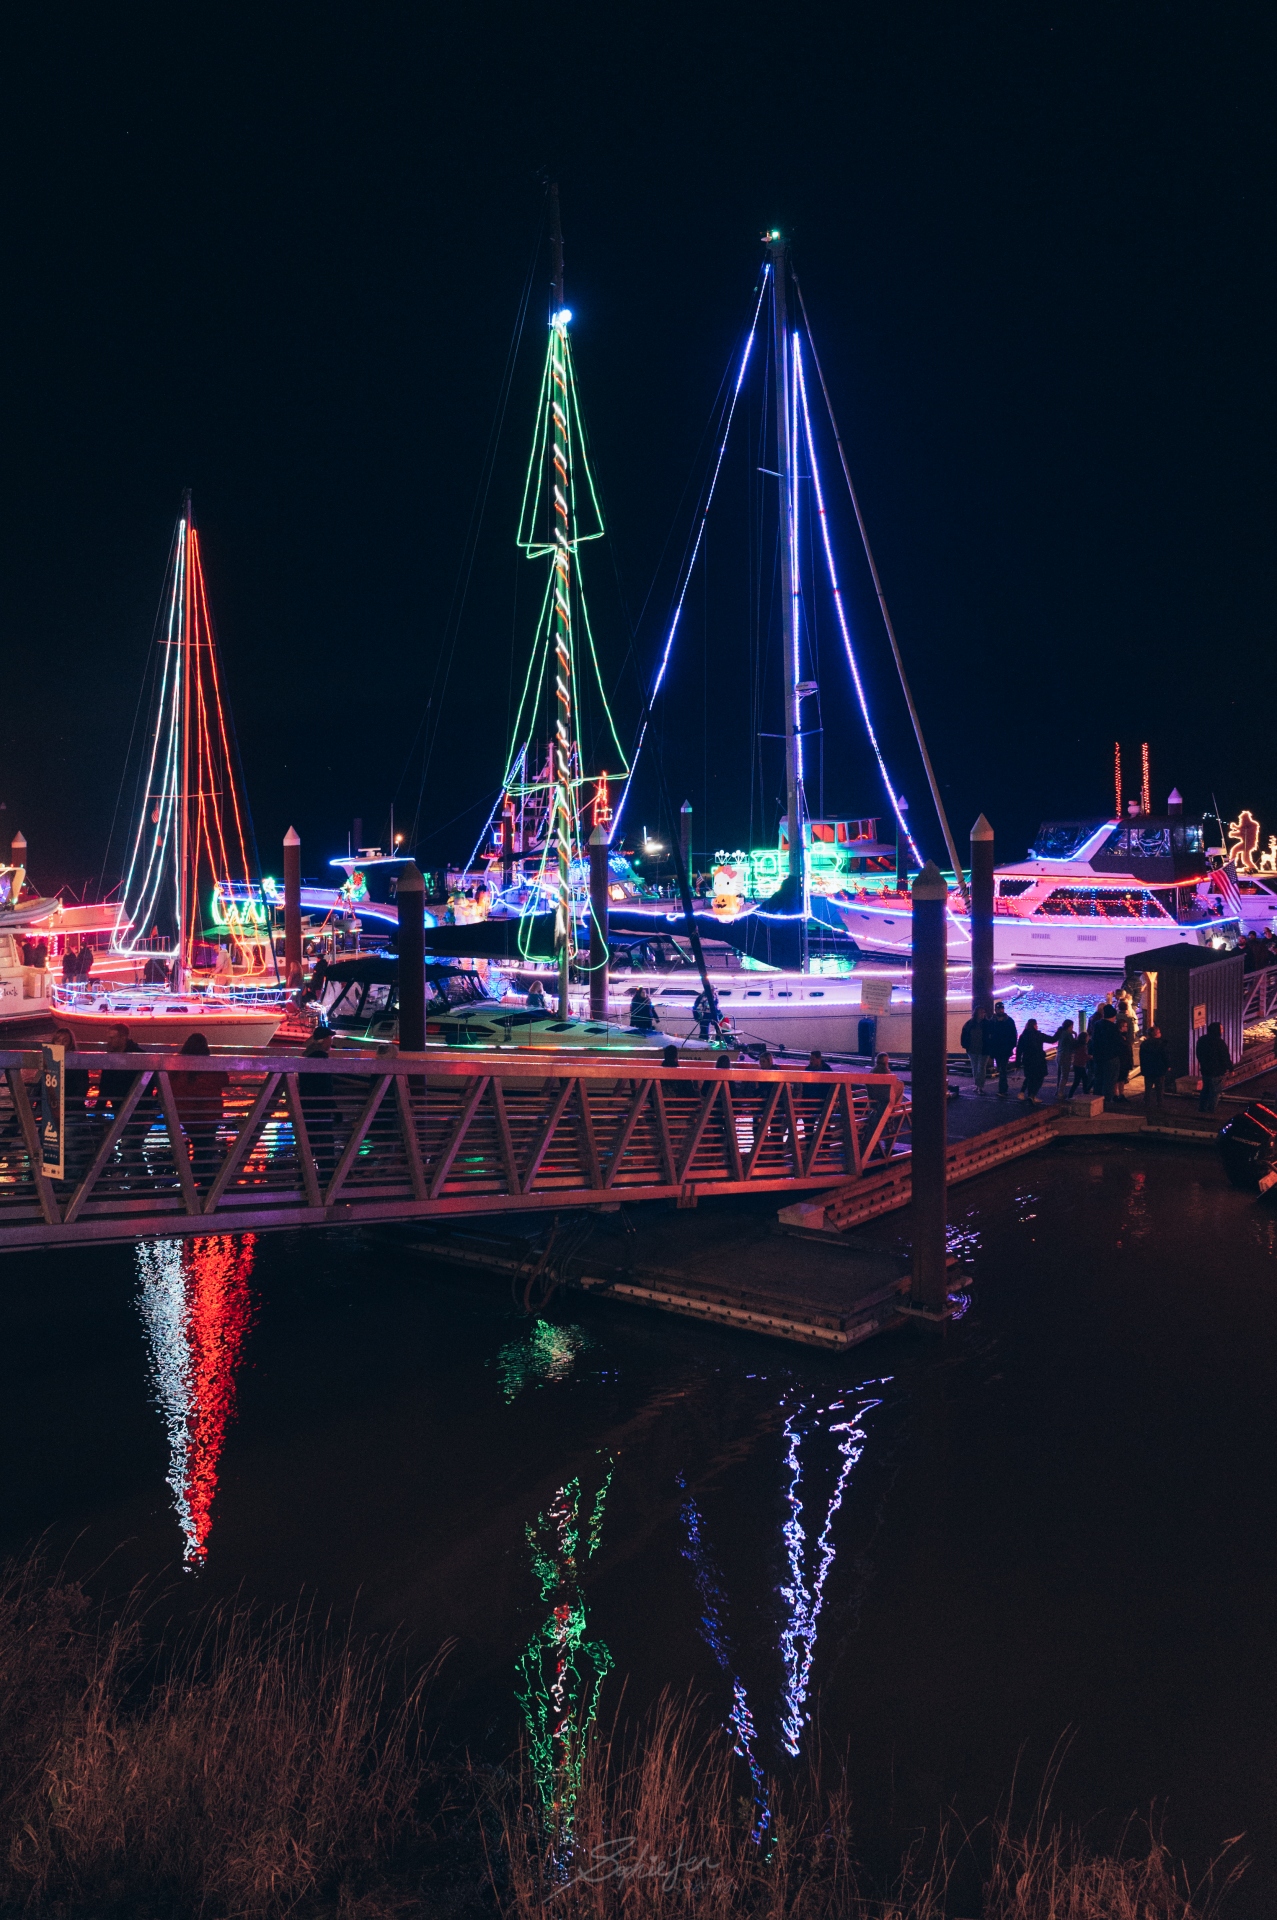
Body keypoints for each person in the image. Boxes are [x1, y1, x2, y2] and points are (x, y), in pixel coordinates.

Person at [168, 1032, 228, 1190]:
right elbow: (224, 1079)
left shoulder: (177, 1067)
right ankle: (194, 1183)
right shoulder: (210, 1066)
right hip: (208, 1117)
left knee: (202, 1149)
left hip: (185, 1117)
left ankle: (203, 1182)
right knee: (204, 1150)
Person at [97, 1022, 156, 1172]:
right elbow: (105, 1084)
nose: (108, 1042)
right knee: (128, 1145)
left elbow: (149, 1082)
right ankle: (135, 1179)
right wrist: (100, 1107)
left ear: (123, 1037)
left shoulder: (139, 1056)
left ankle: (141, 1180)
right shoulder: (118, 1055)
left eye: (112, 1038)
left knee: (129, 1146)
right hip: (121, 1107)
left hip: (136, 1109)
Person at [299, 1026, 338, 1177]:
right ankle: (326, 1177)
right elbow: (325, 1086)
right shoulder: (322, 1059)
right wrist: (334, 1107)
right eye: (330, 1038)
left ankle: (303, 1177)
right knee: (325, 1143)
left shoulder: (307, 1056)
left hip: (307, 1106)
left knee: (309, 1143)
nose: (331, 1042)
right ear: (325, 1040)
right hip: (320, 1108)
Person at [1089, 1006, 1123, 1107]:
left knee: (1099, 1079)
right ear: (1113, 1016)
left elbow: (1094, 1041)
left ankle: (1096, 1100)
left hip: (1098, 1057)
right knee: (1110, 1080)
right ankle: (1107, 1101)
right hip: (1111, 1057)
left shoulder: (1097, 1024)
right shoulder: (1113, 1027)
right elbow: (1118, 1043)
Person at [1195, 1021, 1232, 1113]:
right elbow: (1225, 1056)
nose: (1222, 1030)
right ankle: (1211, 1110)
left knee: (1205, 1089)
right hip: (1217, 1071)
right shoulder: (1220, 1042)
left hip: (1205, 1070)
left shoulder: (1202, 1040)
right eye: (1221, 1029)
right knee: (1215, 1092)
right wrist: (1230, 1068)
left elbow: (1198, 1053)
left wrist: (1203, 1063)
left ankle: (1202, 1108)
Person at [983, 1001, 1018, 1098]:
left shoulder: (992, 1021)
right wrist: (1012, 1046)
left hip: (1001, 1049)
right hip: (1002, 1049)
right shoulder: (1009, 1020)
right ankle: (1003, 1088)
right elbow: (1013, 1035)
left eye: (1001, 1008)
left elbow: (988, 1035)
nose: (1000, 1010)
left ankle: (1003, 1089)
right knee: (1002, 1069)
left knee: (1001, 1069)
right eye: (999, 1008)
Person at [1014, 1018, 1049, 1105]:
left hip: (1027, 1060)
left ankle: (1026, 1094)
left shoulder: (1023, 1035)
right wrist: (1060, 1031)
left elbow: (1019, 1050)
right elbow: (1052, 1039)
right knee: (1039, 1077)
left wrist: (1017, 1062)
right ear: (1034, 1025)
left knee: (1030, 1077)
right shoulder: (1039, 1035)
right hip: (1038, 1059)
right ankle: (1032, 1095)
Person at [1140, 1024, 1169, 1113]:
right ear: (1156, 1034)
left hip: (1148, 1069)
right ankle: (1160, 1103)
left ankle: (1147, 1102)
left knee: (1148, 1087)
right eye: (1159, 1032)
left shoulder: (1144, 1044)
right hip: (1159, 1069)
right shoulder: (1161, 1044)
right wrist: (1167, 1065)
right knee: (1159, 1088)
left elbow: (1142, 1057)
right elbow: (1165, 1056)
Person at [961, 1008, 988, 1093]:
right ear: (976, 1013)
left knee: (980, 1068)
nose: (982, 1014)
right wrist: (965, 1045)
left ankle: (979, 1086)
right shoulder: (970, 1024)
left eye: (983, 1012)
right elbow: (964, 1035)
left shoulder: (970, 1024)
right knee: (975, 1068)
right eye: (981, 1012)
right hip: (973, 1050)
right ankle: (978, 1085)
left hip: (983, 1050)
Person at [1051, 1019, 1078, 1098]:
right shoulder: (1068, 1035)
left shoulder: (1061, 1033)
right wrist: (1076, 1036)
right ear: (1069, 1027)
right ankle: (1060, 1092)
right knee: (1065, 1075)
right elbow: (1073, 1044)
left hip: (1059, 1055)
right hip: (1066, 1056)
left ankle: (1058, 1090)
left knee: (1060, 1074)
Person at [1114, 1018, 1136, 1103]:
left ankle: (1120, 1094)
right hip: (1121, 1060)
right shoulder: (1119, 1037)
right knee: (1118, 1078)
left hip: (1125, 1060)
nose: (1126, 1028)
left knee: (1122, 1078)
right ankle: (1116, 1094)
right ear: (1121, 1027)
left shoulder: (1124, 1037)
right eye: (1125, 1026)